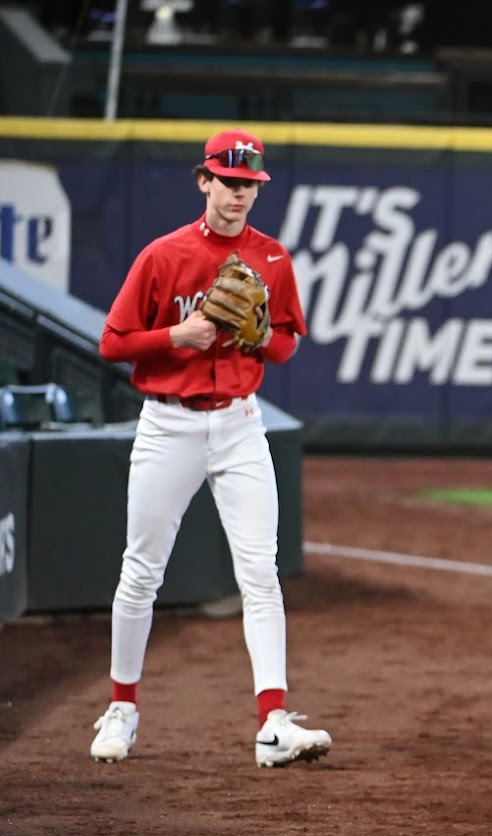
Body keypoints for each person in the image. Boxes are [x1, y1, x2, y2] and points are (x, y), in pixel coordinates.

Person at [89, 128, 332, 769]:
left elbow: (285, 346)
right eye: (228, 183)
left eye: (249, 185)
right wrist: (177, 334)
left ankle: (273, 723)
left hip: (239, 426)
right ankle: (122, 708)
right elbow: (113, 343)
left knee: (261, 574)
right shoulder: (163, 256)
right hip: (168, 425)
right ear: (204, 181)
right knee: (141, 571)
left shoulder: (273, 259)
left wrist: (255, 338)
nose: (238, 195)